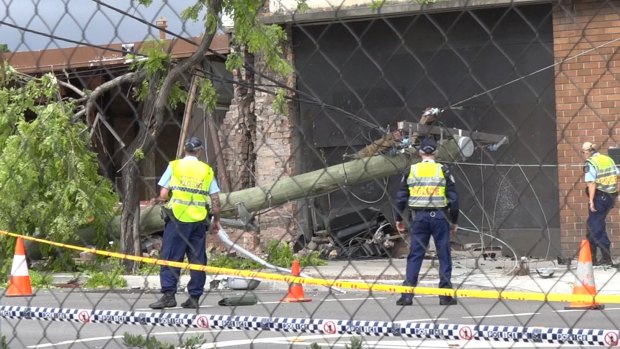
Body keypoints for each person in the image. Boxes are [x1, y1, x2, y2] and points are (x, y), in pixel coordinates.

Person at [149, 136, 221, 309]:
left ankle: (168, 295)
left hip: (177, 220)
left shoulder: (175, 166)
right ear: (199, 151)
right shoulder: (206, 170)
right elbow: (216, 201)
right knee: (197, 259)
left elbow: (164, 194)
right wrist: (215, 220)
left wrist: (167, 200)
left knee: (171, 257)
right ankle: (194, 297)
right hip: (198, 221)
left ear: (185, 150)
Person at [394, 137, 459, 306]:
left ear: (420, 152)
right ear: (436, 152)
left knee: (415, 255)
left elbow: (401, 198)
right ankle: (445, 295)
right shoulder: (444, 170)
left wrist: (398, 219)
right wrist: (454, 221)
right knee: (444, 254)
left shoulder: (411, 170)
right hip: (440, 217)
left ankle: (407, 295)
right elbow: (454, 199)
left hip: (418, 217)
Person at [581, 141, 619, 267]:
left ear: (588, 152)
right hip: (610, 197)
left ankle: (600, 258)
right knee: (595, 223)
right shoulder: (607, 159)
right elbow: (617, 175)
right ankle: (599, 257)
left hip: (599, 197)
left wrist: (591, 201)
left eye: (583, 152)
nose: (583, 155)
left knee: (594, 226)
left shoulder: (590, 163)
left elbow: (591, 183)